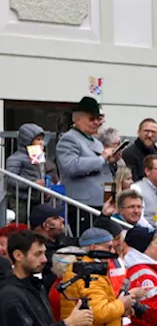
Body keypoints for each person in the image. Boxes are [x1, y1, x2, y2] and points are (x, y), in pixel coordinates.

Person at [55, 97, 117, 235]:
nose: (96, 123)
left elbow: (105, 172)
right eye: (91, 119)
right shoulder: (69, 139)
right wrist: (101, 158)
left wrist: (112, 161)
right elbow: (71, 166)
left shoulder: (96, 142)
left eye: (98, 119)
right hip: (83, 204)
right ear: (77, 119)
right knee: (88, 242)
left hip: (102, 202)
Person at [5, 123, 46, 225]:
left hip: (36, 198)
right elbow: (10, 179)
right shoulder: (16, 158)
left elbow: (41, 173)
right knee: (21, 222)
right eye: (38, 139)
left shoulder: (37, 156)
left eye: (42, 139)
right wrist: (32, 183)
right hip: (20, 199)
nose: (41, 143)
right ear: (27, 140)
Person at [121, 118, 157, 183]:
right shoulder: (129, 154)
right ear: (138, 132)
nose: (149, 135)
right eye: (146, 131)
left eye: (153, 132)